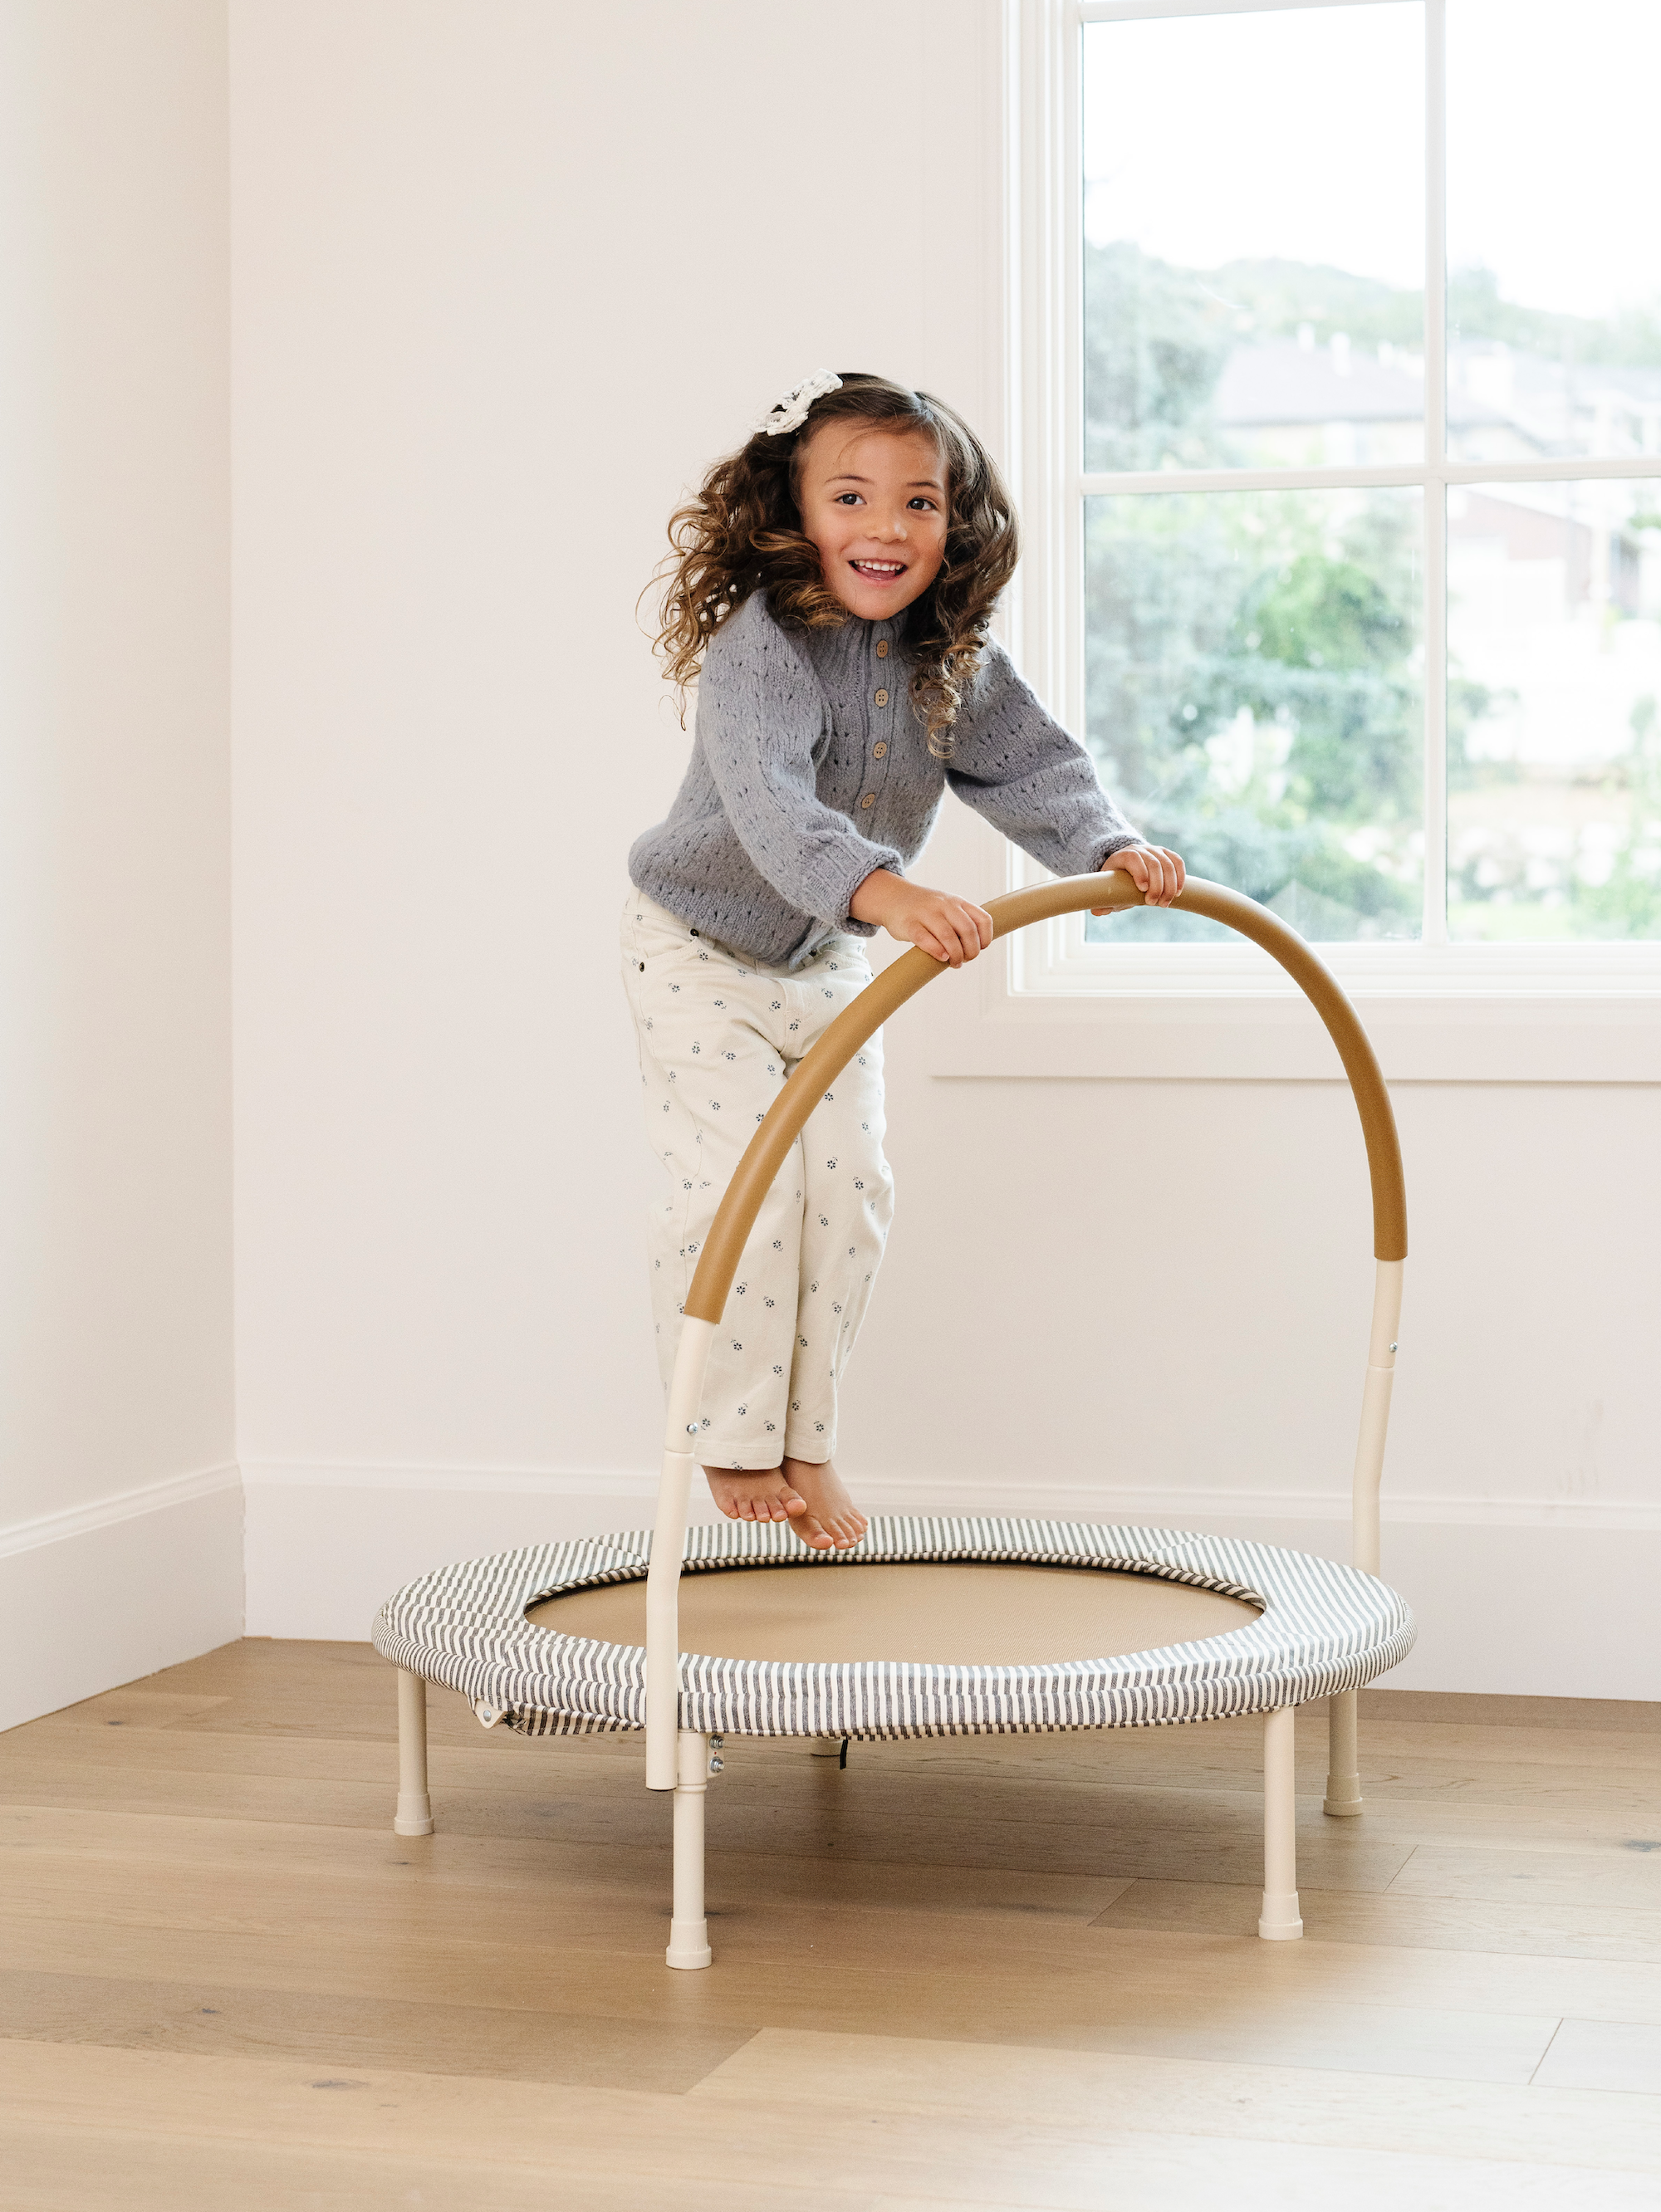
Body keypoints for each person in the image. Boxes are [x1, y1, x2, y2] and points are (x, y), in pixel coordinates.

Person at [625, 371, 1183, 1553]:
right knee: (748, 1196)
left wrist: (1110, 844)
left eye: (920, 503)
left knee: (853, 1196)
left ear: (957, 523)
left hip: (827, 957)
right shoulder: (761, 651)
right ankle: (731, 1443)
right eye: (852, 497)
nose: (886, 529)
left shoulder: (949, 660)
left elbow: (1029, 766)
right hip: (699, 951)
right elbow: (773, 811)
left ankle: (806, 1440)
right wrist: (892, 893)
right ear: (794, 513)